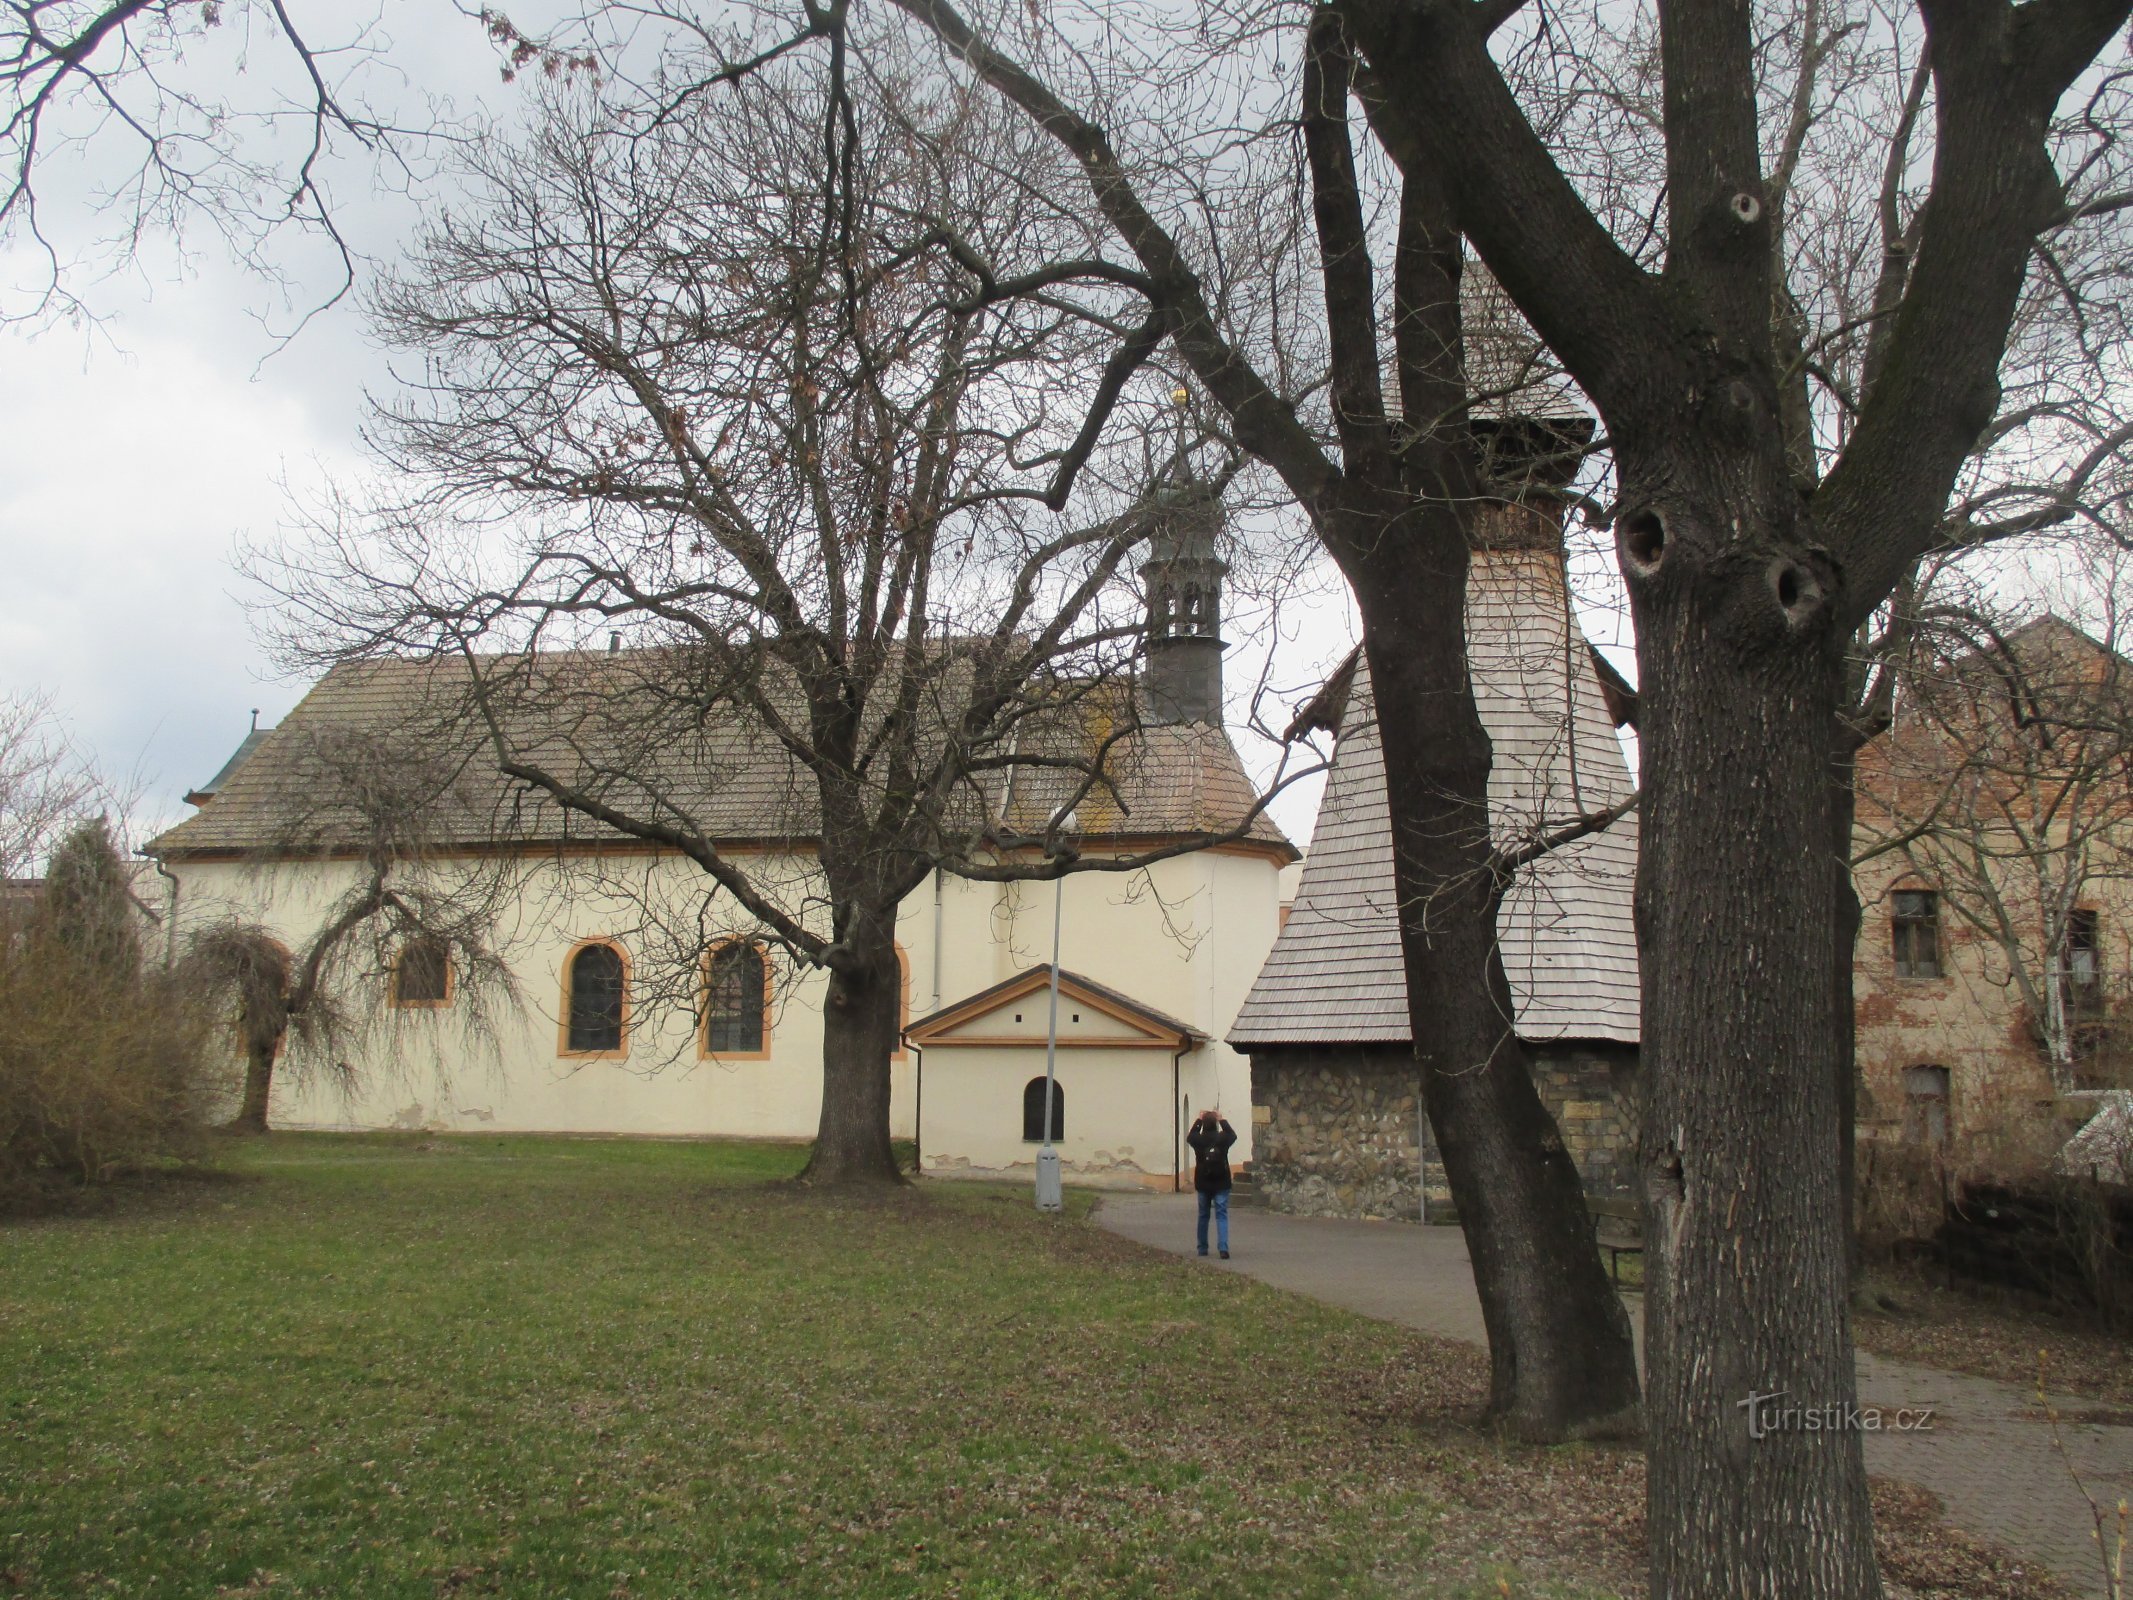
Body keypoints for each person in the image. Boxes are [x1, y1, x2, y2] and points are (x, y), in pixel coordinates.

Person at [1186, 1107, 1237, 1258]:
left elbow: (1190, 1136)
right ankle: (1223, 1248)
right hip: (1221, 1182)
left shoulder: (1198, 1140)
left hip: (1203, 1182)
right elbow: (1233, 1135)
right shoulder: (1222, 1139)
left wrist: (1198, 1121)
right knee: (1221, 1214)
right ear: (1216, 1124)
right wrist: (1222, 1119)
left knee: (1203, 1215)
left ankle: (1202, 1248)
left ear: (1204, 1124)